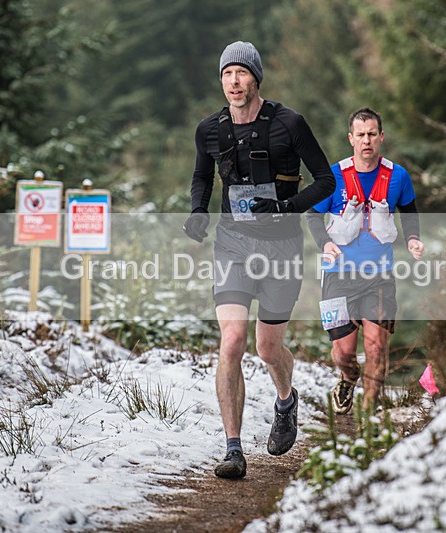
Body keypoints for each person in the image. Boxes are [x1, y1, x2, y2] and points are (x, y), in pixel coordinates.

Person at [183, 41, 334, 479]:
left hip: (282, 247)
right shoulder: (209, 129)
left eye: (241, 73)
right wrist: (197, 211)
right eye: (227, 74)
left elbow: (325, 180)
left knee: (268, 348)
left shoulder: (290, 124)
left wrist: (287, 208)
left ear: (256, 78)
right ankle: (232, 447)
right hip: (232, 243)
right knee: (232, 341)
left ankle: (285, 400)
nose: (234, 81)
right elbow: (201, 175)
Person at [306, 107, 424, 414]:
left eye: (372, 134)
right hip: (337, 274)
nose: (366, 140)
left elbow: (409, 212)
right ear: (351, 139)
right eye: (360, 135)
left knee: (376, 346)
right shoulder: (333, 176)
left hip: (379, 275)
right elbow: (313, 216)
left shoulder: (398, 176)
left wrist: (412, 238)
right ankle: (348, 377)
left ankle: (369, 416)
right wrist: (325, 243)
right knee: (342, 352)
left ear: (381, 137)